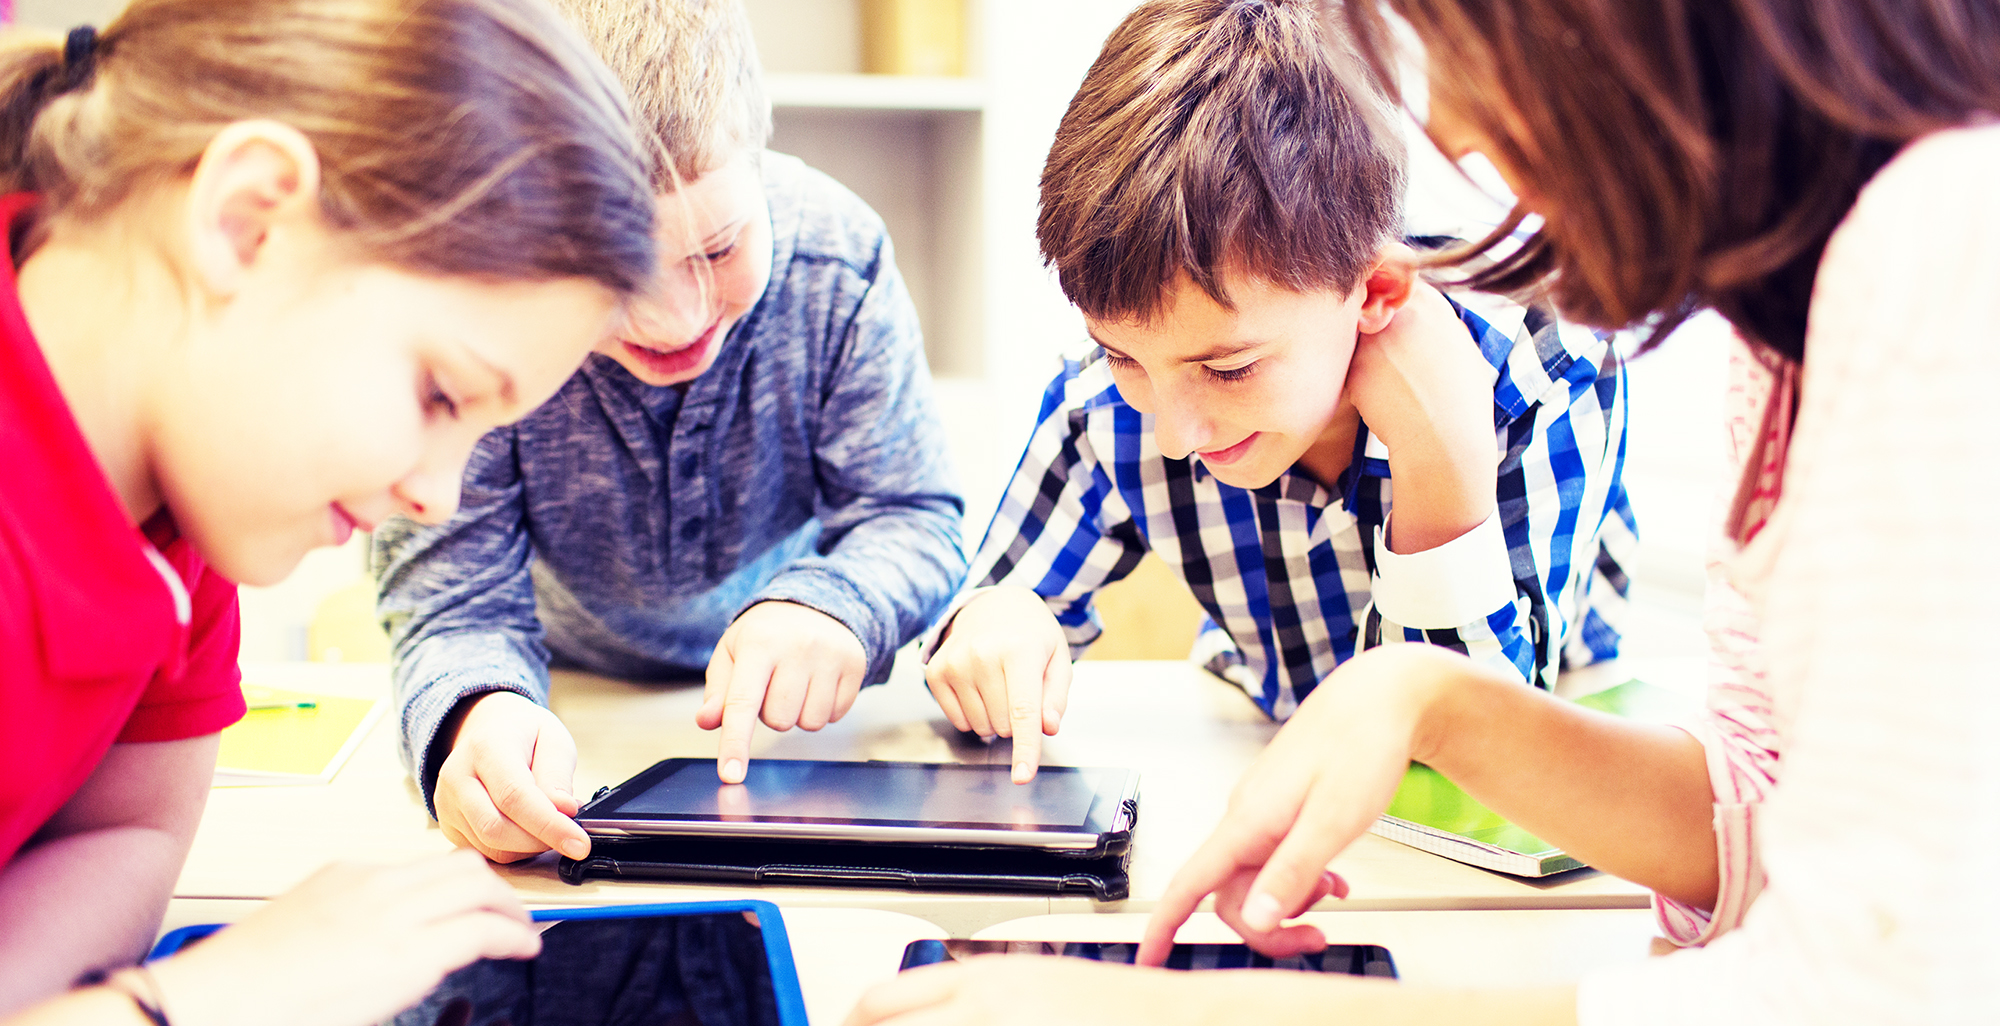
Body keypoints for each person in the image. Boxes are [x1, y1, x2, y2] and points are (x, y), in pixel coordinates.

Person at [846, 0, 2000, 1022]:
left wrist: (1164, 1014)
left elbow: (1879, 984)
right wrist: (1421, 697)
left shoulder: (1927, 259)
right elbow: (1756, 828)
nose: (1443, 127)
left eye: (1446, 37)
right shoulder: (1784, 328)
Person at [0, 0, 658, 1022]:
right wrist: (199, 998)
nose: (437, 498)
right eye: (441, 394)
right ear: (245, 219)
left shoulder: (184, 505)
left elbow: (121, 838)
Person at [923, 0, 1634, 782]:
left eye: (1229, 369)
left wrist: (1441, 454)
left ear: (1377, 291)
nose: (1175, 435)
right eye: (1122, 355)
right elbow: (984, 617)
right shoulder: (1108, 405)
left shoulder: (1547, 369)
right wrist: (995, 626)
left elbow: (1475, 745)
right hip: (1266, 739)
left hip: (1546, 773)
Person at [372, 0, 965, 865]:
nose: (678, 317)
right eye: (618, 272)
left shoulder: (840, 261)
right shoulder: (481, 303)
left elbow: (914, 513)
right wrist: (475, 716)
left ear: (760, 161)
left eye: (720, 248)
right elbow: (453, 598)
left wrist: (839, 602)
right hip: (559, 703)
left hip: (795, 737)